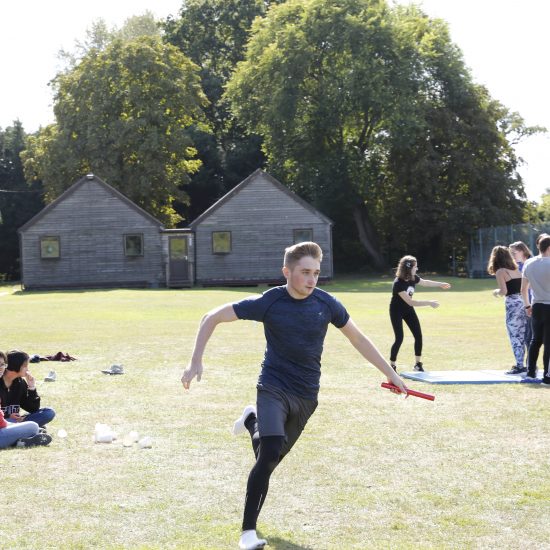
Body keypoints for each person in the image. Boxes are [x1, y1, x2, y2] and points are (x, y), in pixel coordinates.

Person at [181, 242, 408, 550]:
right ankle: (248, 533)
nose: (312, 279)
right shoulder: (270, 301)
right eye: (305, 272)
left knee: (269, 458)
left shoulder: (327, 304)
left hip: (306, 395)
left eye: (316, 272)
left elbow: (358, 338)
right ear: (287, 272)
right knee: (270, 451)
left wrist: (391, 374)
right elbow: (211, 316)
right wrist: (195, 361)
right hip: (273, 386)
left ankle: (251, 421)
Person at [389, 255, 451, 373]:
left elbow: (425, 282)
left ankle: (417, 365)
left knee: (418, 336)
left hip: (408, 310)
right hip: (396, 311)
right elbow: (411, 302)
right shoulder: (398, 283)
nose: (417, 268)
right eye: (415, 267)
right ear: (408, 268)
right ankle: (392, 365)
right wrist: (429, 302)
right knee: (399, 338)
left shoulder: (413, 278)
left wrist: (440, 284)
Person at [487, 246, 528, 375]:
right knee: (523, 335)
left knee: (514, 335)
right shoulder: (516, 270)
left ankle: (519, 365)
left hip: (512, 304)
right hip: (523, 302)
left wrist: (496, 292)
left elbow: (504, 291)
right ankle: (528, 364)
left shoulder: (501, 271)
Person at [0, 352, 52, 449]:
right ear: (16, 365)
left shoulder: (20, 383)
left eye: (3, 365)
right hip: (5, 422)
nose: (28, 369)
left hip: (11, 421)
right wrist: (8, 416)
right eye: (25, 366)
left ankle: (22, 433)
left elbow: (32, 408)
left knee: (48, 412)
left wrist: (31, 387)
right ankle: (23, 435)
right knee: (32, 426)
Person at [521, 235, 550, 385]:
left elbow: (523, 289)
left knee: (535, 340)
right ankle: (547, 376)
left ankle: (531, 373)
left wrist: (527, 306)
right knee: (548, 343)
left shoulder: (529, 263)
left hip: (536, 306)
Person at [509, 241, 534, 362]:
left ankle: (531, 365)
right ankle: (529, 364)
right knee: (526, 336)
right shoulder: (517, 266)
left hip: (534, 304)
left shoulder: (533, 263)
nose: (512, 256)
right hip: (522, 305)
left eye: (514, 253)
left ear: (522, 251)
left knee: (532, 336)